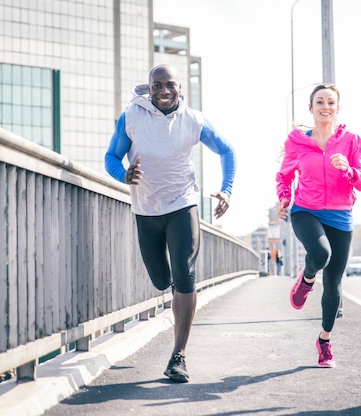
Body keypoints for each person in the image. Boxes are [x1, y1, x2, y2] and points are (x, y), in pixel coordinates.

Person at [105, 64, 236, 383]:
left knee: (185, 275)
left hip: (183, 204)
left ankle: (179, 356)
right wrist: (123, 174)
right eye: (157, 86)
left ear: (180, 88)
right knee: (161, 280)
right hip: (146, 210)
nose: (164, 91)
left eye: (170, 85)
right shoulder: (131, 117)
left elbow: (227, 150)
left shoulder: (194, 120)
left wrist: (227, 189)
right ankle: (172, 290)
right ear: (149, 88)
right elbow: (111, 156)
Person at [276, 83, 361, 368]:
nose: (325, 107)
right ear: (311, 108)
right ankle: (307, 279)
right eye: (319, 102)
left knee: (333, 285)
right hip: (305, 210)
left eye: (330, 103)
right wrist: (284, 199)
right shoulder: (297, 142)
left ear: (337, 108)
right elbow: (284, 177)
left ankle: (324, 341)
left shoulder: (352, 141)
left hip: (340, 216)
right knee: (321, 254)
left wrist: (349, 170)